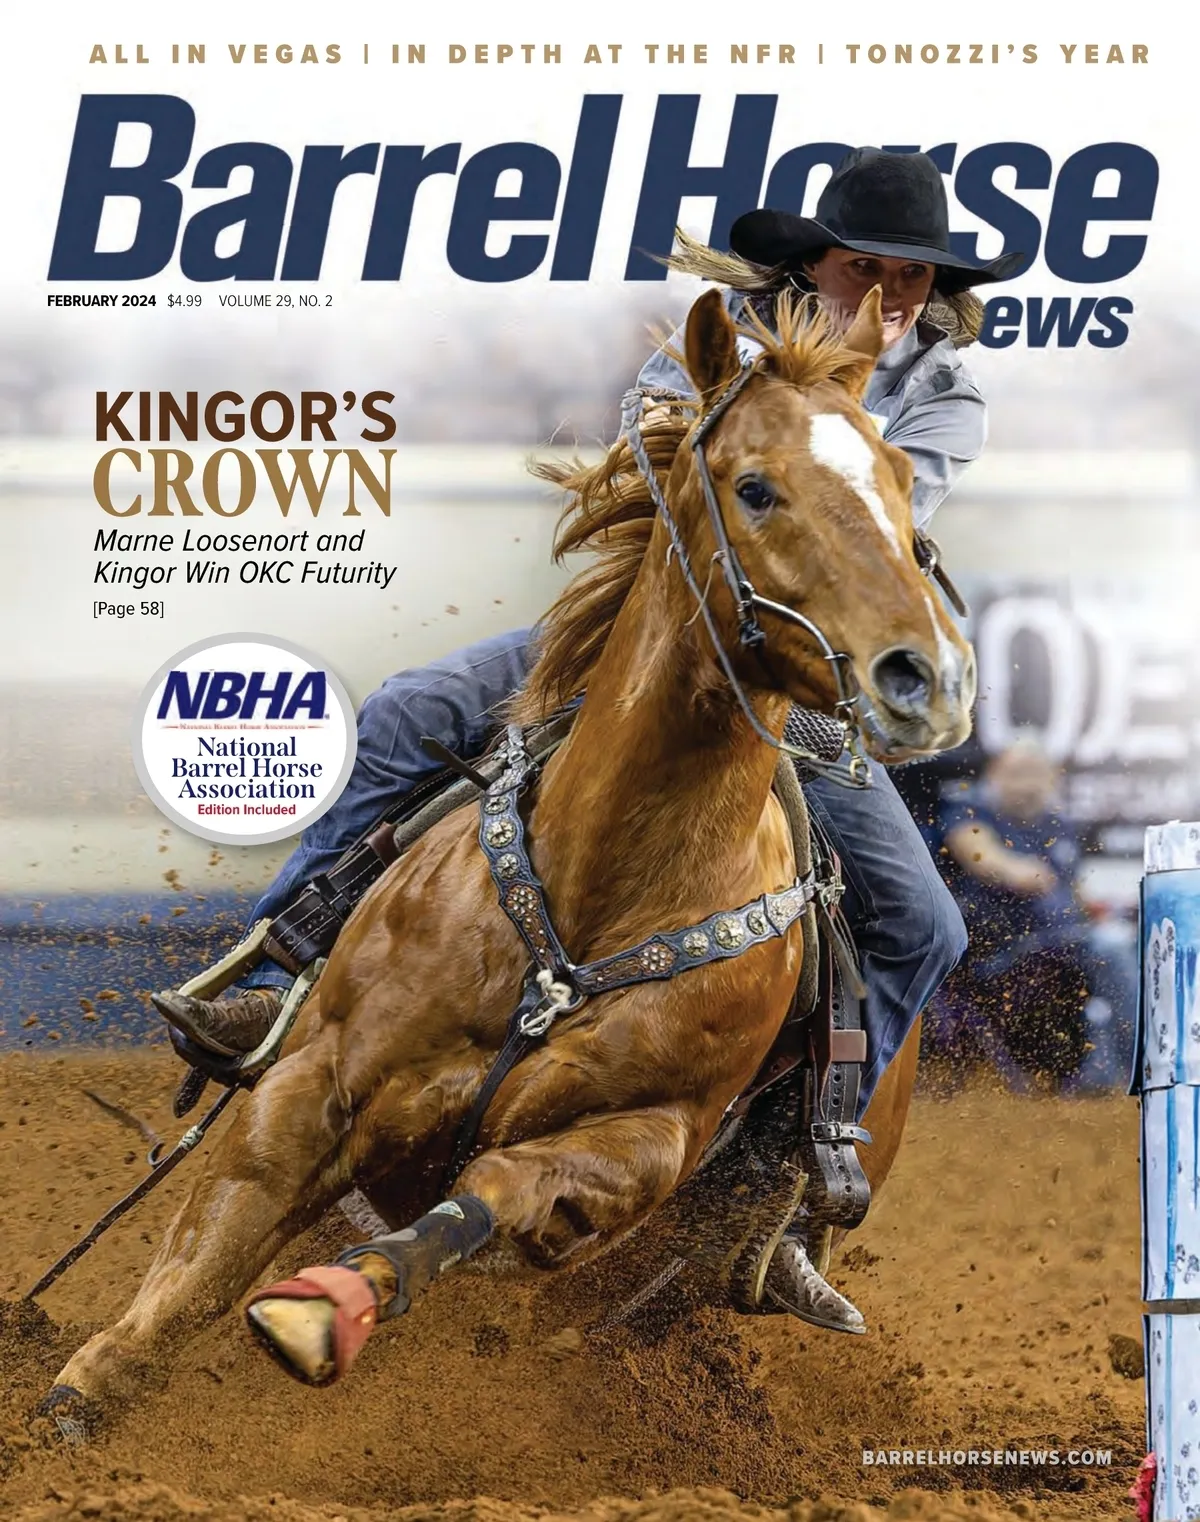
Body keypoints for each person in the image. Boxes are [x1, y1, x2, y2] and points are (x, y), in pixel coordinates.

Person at [155, 147, 1023, 1335]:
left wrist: (814, 409)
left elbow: (865, 533)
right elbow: (648, 465)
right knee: (408, 711)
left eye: (913, 277)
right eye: (865, 268)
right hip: (647, 641)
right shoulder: (716, 339)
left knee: (925, 922)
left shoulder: (949, 392)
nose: (892, 294)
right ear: (812, 261)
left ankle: (786, 1182)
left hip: (800, 668)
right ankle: (273, 977)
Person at [934, 739, 1137, 1090]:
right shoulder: (969, 811)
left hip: (1064, 945)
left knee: (1127, 939)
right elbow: (979, 855)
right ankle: (1137, 1072)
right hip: (1003, 954)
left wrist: (1097, 910)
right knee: (1111, 946)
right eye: (1017, 773)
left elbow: (1074, 894)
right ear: (994, 774)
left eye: (1035, 774)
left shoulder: (1057, 824)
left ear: (1052, 779)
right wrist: (1017, 870)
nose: (1026, 784)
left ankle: (1100, 1071)